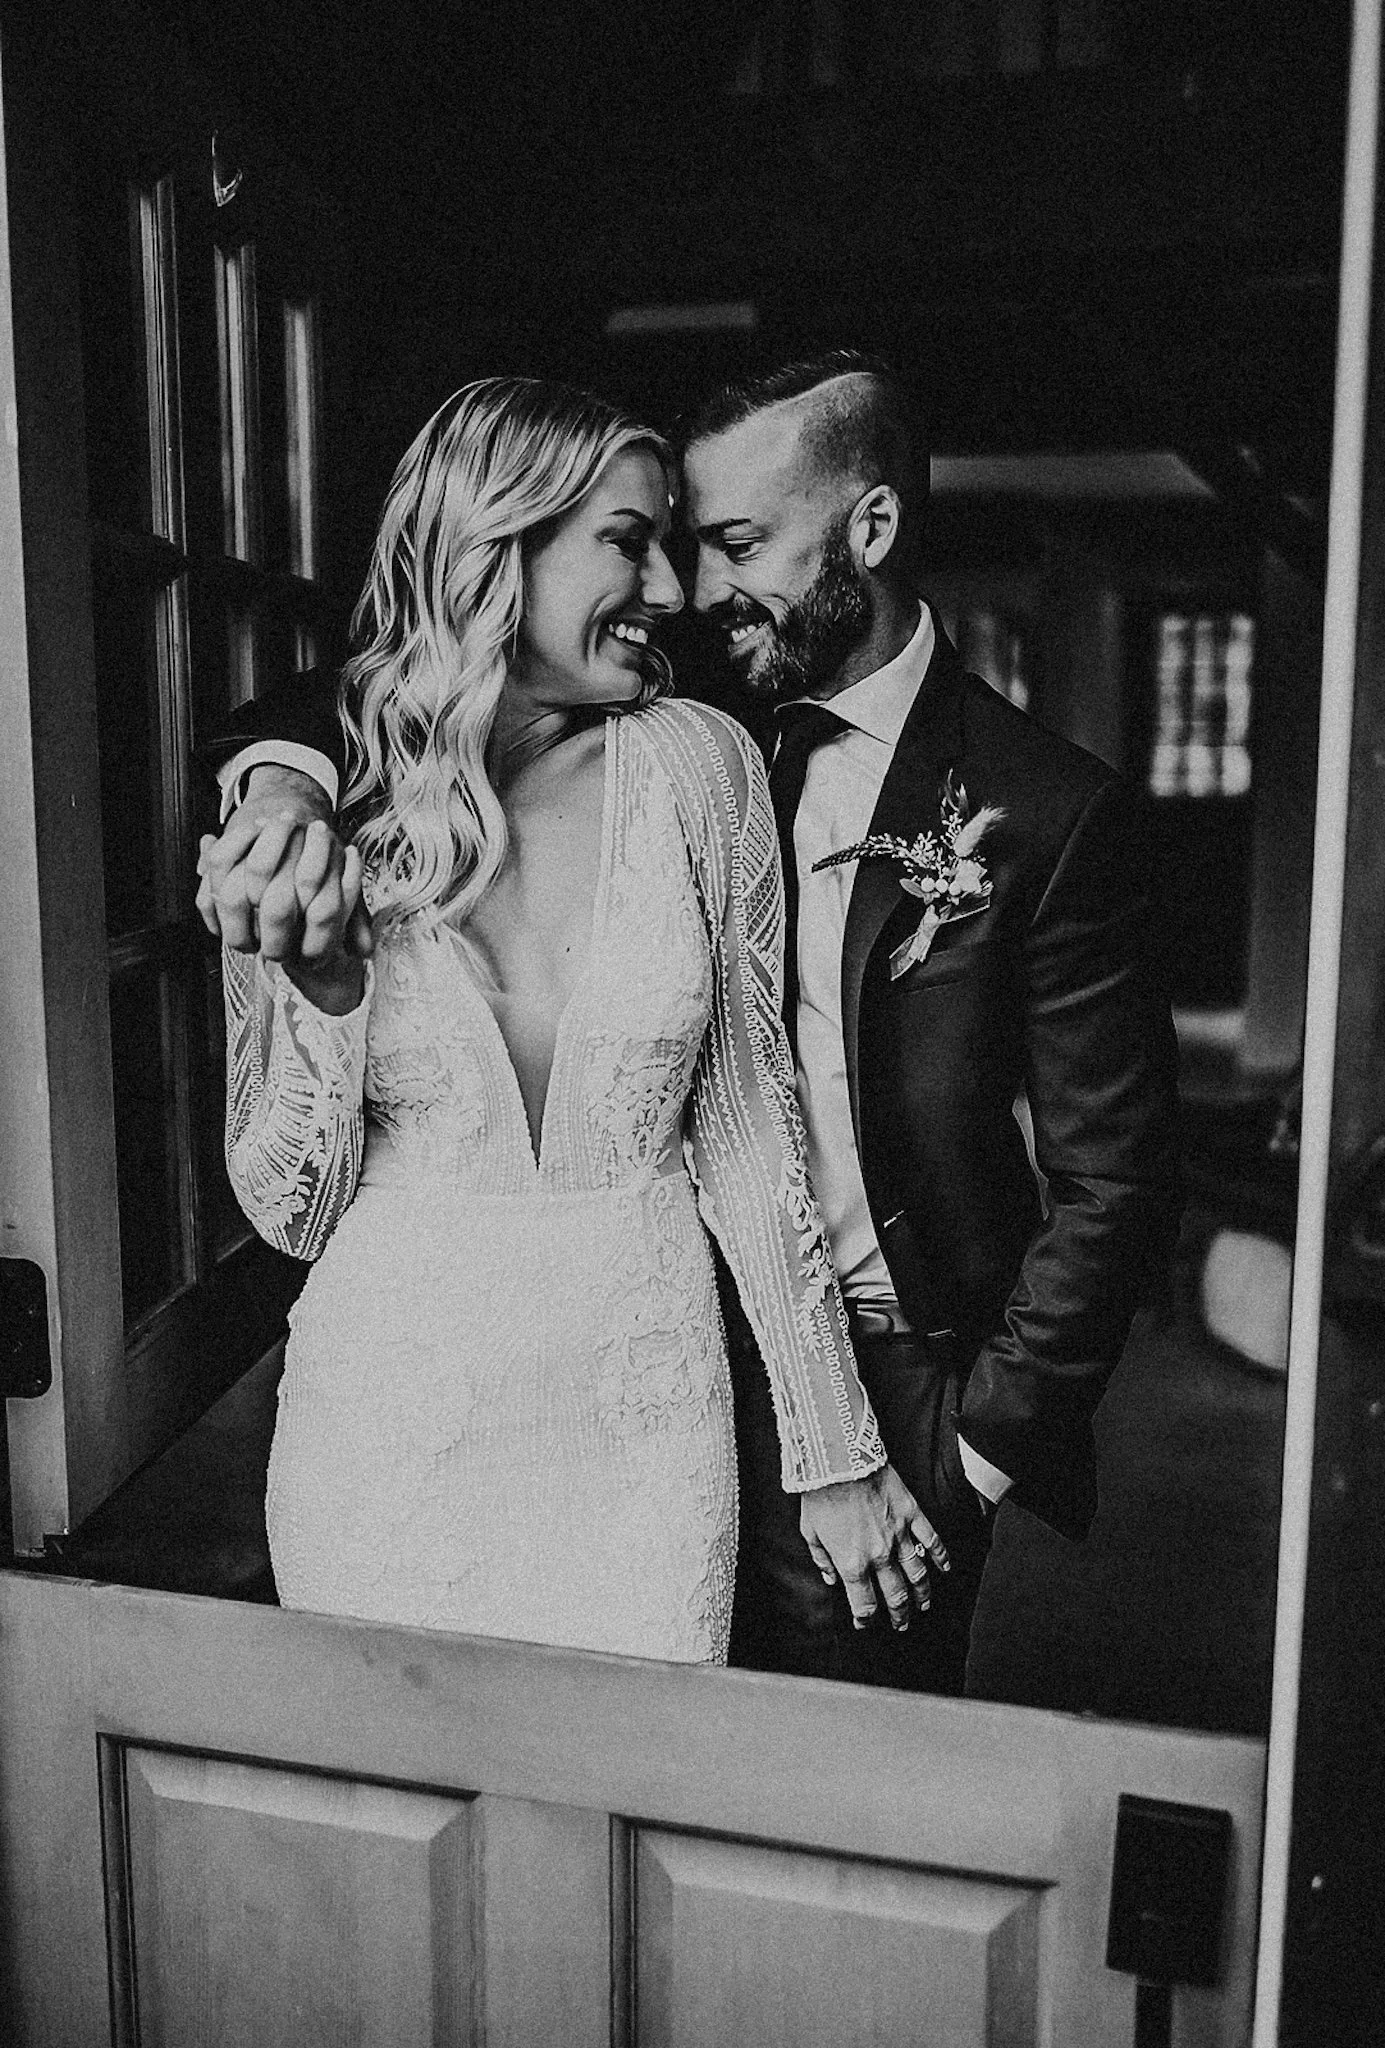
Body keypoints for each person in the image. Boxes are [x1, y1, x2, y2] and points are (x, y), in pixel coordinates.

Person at [205, 352, 1183, 1696]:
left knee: (770, 1811)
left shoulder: (835, 771)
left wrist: (949, 1454)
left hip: (765, 1385)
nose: (685, 591)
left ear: (870, 531)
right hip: (419, 1409)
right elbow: (375, 705)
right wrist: (282, 812)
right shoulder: (351, 818)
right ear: (501, 548)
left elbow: (1093, 1179)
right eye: (650, 544)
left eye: (724, 544)